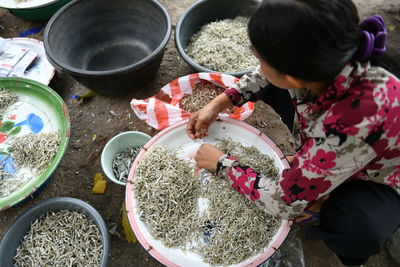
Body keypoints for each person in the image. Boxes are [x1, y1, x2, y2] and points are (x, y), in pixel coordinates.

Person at [186, 0, 400, 266]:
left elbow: (284, 202)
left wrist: (221, 164)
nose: (258, 65)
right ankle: (320, 185)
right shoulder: (329, 57)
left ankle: (333, 212)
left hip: (382, 177)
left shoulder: (347, 123)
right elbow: (268, 73)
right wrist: (221, 102)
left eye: (260, 59)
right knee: (271, 87)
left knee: (359, 227)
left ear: (296, 78)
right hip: (347, 148)